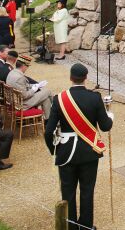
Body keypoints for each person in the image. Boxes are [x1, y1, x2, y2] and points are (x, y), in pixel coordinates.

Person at [44, 63, 113, 230]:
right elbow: (105, 126)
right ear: (86, 78)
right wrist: (110, 116)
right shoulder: (95, 97)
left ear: (70, 78)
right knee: (87, 191)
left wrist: (55, 151)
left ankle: (71, 226)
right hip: (89, 150)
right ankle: (86, 226)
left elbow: (48, 131)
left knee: (68, 192)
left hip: (66, 152)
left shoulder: (59, 99)